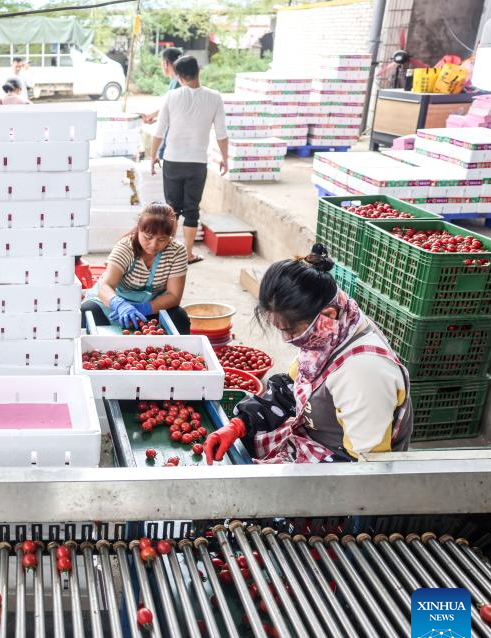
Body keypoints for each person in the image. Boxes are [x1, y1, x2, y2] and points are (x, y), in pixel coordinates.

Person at [203, 244, 412, 466]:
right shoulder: (333, 331)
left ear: (327, 315)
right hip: (309, 439)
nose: (287, 340)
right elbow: (290, 391)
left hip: (338, 469)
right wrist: (240, 424)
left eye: (291, 331)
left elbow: (364, 470)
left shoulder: (364, 373)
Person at [150, 56, 229, 265]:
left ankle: (167, 254)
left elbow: (159, 131)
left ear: (179, 76)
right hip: (197, 163)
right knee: (192, 209)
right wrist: (225, 158)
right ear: (198, 71)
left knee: (171, 209)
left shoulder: (171, 96)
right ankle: (188, 254)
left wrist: (152, 156)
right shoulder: (214, 97)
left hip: (173, 161)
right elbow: (222, 133)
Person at [80, 203, 191, 335]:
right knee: (88, 312)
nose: (153, 245)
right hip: (113, 306)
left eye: (162, 239)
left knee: (179, 317)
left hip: (152, 307)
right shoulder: (126, 248)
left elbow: (174, 296)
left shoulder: (176, 251)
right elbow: (106, 286)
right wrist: (119, 305)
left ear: (170, 236)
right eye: (148, 237)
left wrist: (144, 308)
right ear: (139, 228)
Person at [140, 47, 182, 164]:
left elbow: (170, 108)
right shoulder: (176, 80)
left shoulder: (178, 82)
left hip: (173, 137)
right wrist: (153, 117)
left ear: (165, 63)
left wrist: (152, 116)